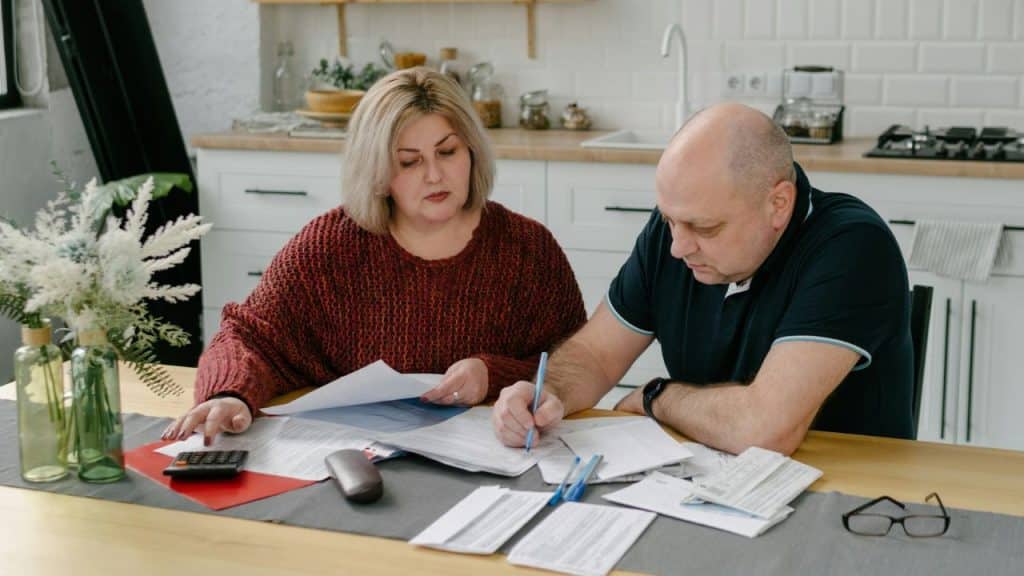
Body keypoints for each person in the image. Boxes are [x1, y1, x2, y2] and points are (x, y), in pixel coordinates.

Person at [164, 68, 586, 444]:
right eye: (409, 161)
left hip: (497, 463)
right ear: (378, 174)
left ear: (472, 152)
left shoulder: (528, 250)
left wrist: (492, 374)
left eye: (447, 151)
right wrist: (228, 393)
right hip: (354, 462)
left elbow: (573, 365)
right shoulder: (331, 246)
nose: (434, 175)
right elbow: (248, 336)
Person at [491, 103, 913, 456]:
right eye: (670, 220)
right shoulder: (675, 230)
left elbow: (764, 429)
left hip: (853, 498)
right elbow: (597, 355)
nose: (677, 247)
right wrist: (547, 394)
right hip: (709, 479)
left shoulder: (851, 246)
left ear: (778, 204)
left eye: (705, 228)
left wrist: (657, 397)